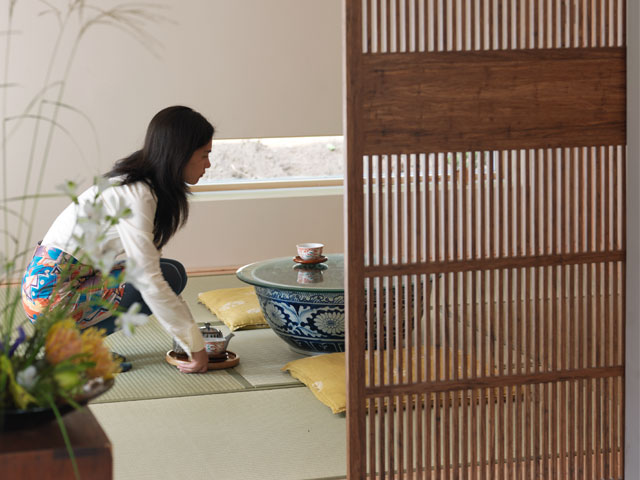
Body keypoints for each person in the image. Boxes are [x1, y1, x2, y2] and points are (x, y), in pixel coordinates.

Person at [21, 105, 213, 374]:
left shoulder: (135, 182)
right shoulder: (137, 194)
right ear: (181, 154)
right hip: (51, 298)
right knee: (165, 276)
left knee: (173, 272)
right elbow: (150, 280)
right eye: (204, 155)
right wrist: (197, 348)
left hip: (50, 289)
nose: (208, 165)